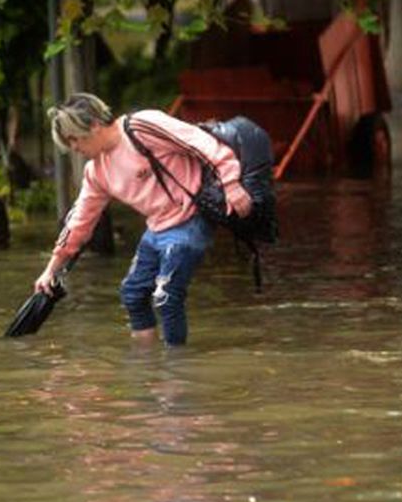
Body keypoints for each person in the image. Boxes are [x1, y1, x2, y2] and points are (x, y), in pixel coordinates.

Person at [34, 93, 252, 346]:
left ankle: (175, 371)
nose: (73, 148)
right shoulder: (96, 171)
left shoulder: (142, 126)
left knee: (166, 296)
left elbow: (204, 144)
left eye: (73, 139)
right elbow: (80, 221)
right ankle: (145, 365)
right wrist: (51, 270)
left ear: (93, 125)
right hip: (157, 228)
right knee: (133, 294)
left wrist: (231, 183)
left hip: (190, 219)